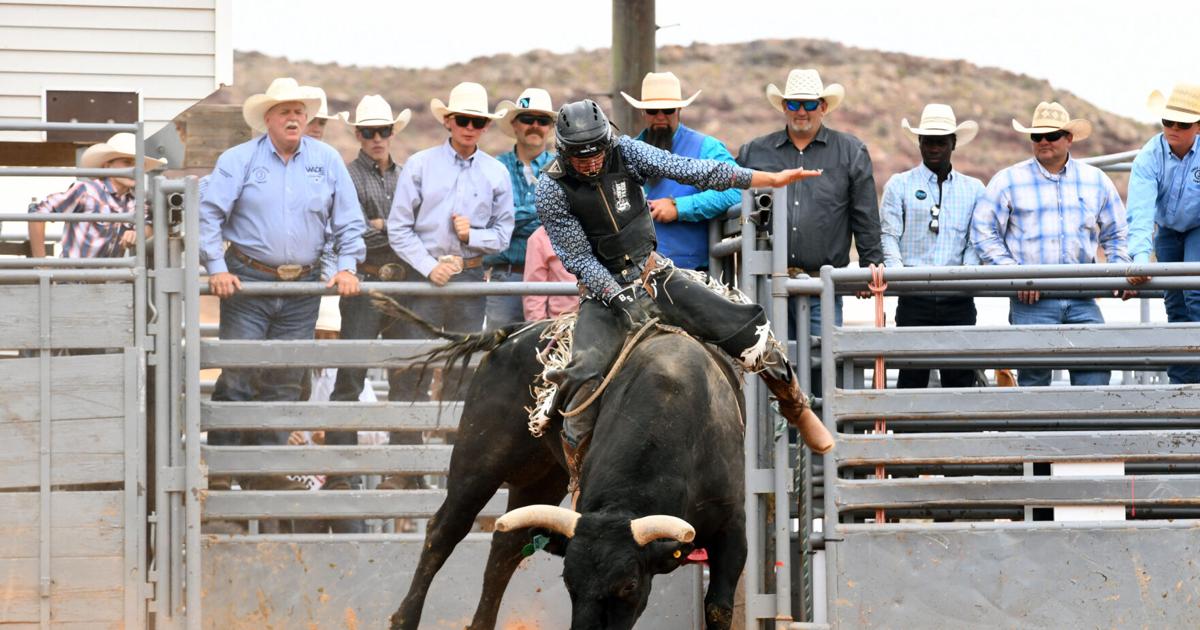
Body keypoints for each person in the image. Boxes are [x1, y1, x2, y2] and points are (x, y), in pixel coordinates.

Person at [535, 99, 834, 471]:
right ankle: (579, 475)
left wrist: (762, 179)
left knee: (745, 326)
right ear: (564, 152)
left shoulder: (625, 151)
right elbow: (578, 258)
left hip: (654, 274)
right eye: (581, 156)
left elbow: (688, 169)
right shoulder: (551, 188)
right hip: (603, 292)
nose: (592, 161)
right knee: (582, 375)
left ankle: (797, 408)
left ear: (607, 142)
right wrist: (616, 296)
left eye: (597, 151)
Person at [199, 77, 366, 491]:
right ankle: (222, 471)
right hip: (249, 281)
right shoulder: (239, 160)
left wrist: (347, 266)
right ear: (268, 118)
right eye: (285, 112)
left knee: (286, 379)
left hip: (302, 285)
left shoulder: (326, 160)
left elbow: (348, 220)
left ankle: (265, 471)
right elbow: (207, 214)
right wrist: (216, 266)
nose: (293, 118)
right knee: (238, 375)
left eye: (299, 112)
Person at [386, 82, 514, 485]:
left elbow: (503, 233)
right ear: (448, 121)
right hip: (424, 280)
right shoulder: (420, 165)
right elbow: (399, 227)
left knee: (461, 373)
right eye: (463, 120)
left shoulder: (496, 172)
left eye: (477, 121)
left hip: (470, 275)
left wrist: (472, 236)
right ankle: (405, 467)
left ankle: (455, 468)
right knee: (411, 368)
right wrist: (428, 267)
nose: (470, 127)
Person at [973, 101, 1137, 387]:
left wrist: (1119, 268)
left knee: (1096, 373)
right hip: (1032, 299)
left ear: (1069, 138)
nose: (1044, 141)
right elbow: (983, 231)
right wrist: (1015, 275)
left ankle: (1087, 432)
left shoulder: (1095, 181)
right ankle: (1038, 432)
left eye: (1052, 135)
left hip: (1084, 295)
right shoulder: (1008, 180)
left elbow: (1116, 232)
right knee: (1034, 378)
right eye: (1037, 136)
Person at [736, 68, 883, 337]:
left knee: (824, 364)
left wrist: (869, 266)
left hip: (823, 285)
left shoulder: (851, 152)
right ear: (784, 106)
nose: (801, 111)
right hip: (765, 287)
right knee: (770, 369)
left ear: (823, 106)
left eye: (809, 104)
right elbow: (731, 206)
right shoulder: (754, 152)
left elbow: (865, 215)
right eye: (793, 103)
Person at [324, 94, 413, 489]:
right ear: (358, 135)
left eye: (382, 131)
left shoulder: (407, 175)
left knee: (408, 376)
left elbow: (417, 228)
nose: (376, 138)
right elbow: (354, 233)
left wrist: (383, 227)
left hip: (402, 287)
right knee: (351, 376)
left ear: (392, 133)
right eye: (368, 132)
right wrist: (398, 232)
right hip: (365, 281)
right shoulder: (346, 175)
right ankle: (342, 472)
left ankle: (403, 471)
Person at [880, 104, 985, 388]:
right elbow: (888, 234)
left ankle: (958, 433)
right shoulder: (899, 185)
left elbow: (976, 240)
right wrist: (899, 277)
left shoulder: (974, 189)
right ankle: (906, 433)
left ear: (953, 143)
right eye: (928, 141)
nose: (934, 148)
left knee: (960, 377)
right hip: (914, 296)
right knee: (911, 376)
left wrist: (966, 275)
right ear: (919, 143)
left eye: (940, 142)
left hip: (958, 298)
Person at [619, 71, 741, 271]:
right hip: (638, 276)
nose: (660, 117)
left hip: (694, 275)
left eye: (667, 109)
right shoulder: (624, 154)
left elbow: (736, 190)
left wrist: (680, 208)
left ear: (678, 109)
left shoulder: (706, 147)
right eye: (652, 110)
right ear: (642, 112)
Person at [1126, 83, 1200, 384]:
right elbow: (1140, 210)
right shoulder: (1149, 156)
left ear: (1198, 126)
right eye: (1167, 121)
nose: (1173, 129)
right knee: (1175, 301)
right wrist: (1141, 258)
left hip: (1198, 227)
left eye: (1182, 124)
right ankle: (1182, 382)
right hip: (1168, 230)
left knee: (1195, 293)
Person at [485, 88, 557, 327]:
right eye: (528, 119)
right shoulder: (494, 168)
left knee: (553, 352)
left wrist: (512, 217)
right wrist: (543, 210)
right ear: (515, 124)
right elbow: (491, 221)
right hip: (508, 275)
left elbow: (564, 218)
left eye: (543, 120)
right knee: (500, 353)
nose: (535, 125)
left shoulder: (563, 169)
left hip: (553, 279)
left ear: (549, 127)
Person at [28, 132, 164, 258]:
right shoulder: (86, 191)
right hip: (72, 279)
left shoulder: (136, 201)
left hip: (108, 281)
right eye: (127, 162)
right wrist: (41, 264)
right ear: (107, 166)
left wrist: (137, 234)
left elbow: (148, 227)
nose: (135, 169)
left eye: (138, 163)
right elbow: (38, 213)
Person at [522, 225, 579, 320]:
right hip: (564, 321)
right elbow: (534, 289)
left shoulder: (601, 230)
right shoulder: (540, 237)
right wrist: (537, 326)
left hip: (602, 319)